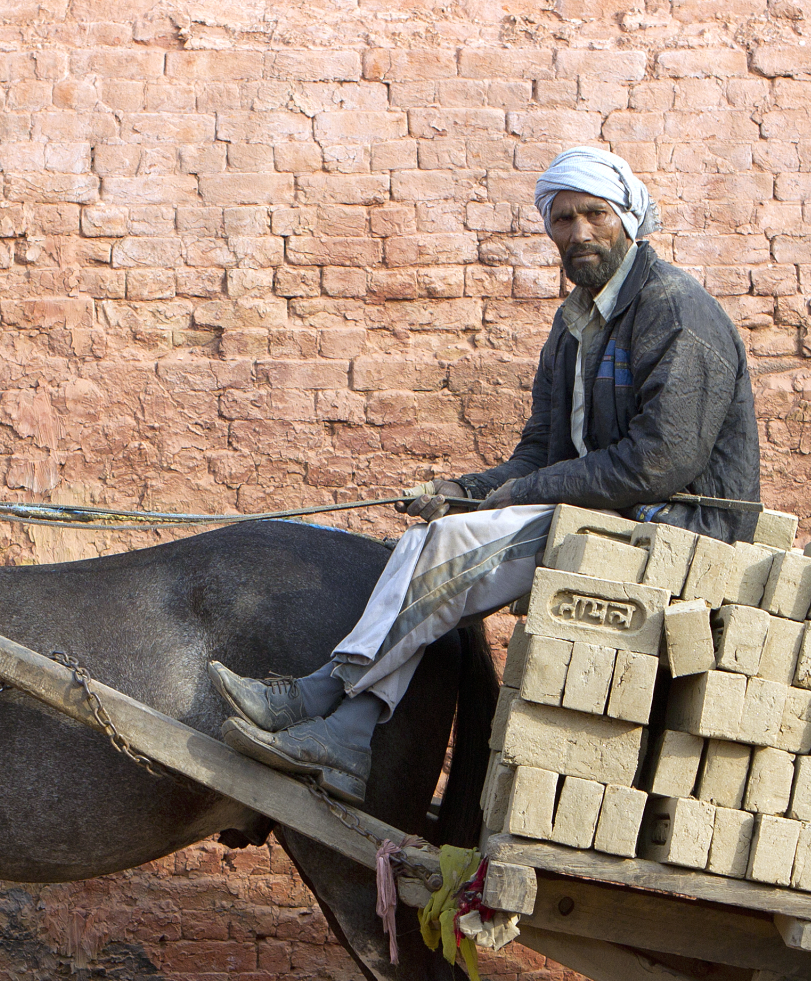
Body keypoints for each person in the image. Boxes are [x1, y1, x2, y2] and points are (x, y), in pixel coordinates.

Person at [212, 146, 761, 804]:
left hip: (680, 529)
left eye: (594, 216)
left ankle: (320, 693)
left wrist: (515, 496)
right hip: (608, 519)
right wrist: (463, 492)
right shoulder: (572, 326)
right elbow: (539, 455)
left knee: (450, 548)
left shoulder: (673, 310)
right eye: (562, 220)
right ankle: (351, 738)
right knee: (424, 541)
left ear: (628, 221)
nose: (578, 234)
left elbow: (659, 462)